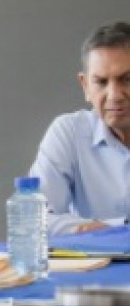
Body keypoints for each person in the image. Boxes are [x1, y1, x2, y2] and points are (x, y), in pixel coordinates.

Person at [29, 21, 130, 235]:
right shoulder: (68, 132)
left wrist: (90, 230)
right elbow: (35, 219)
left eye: (127, 80)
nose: (115, 95)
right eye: (101, 82)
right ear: (85, 86)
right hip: (90, 257)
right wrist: (116, 231)